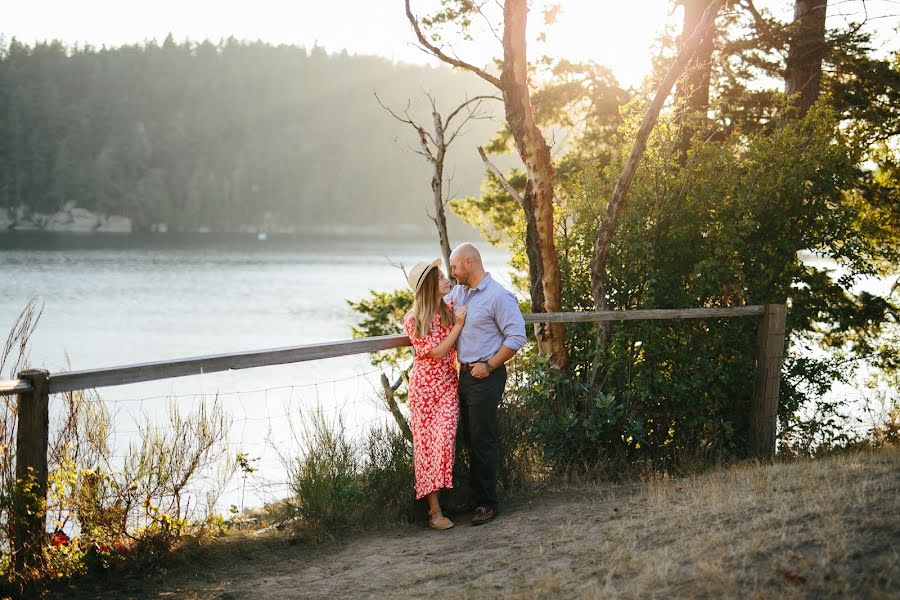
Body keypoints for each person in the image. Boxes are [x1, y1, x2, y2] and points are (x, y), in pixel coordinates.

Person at [445, 243, 526, 526]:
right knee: (468, 437)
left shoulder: (499, 297)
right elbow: (434, 309)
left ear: (469, 263)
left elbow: (516, 338)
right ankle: (475, 495)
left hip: (487, 375)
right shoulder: (459, 293)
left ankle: (488, 503)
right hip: (464, 376)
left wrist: (490, 365)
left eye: (455, 267)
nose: (452, 272)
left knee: (483, 439)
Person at [403, 258, 467, 530]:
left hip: (447, 386)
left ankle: (449, 499)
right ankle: (435, 512)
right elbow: (437, 352)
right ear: (429, 286)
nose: (445, 280)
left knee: (445, 438)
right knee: (427, 448)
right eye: (440, 277)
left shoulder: (449, 308)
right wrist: (457, 327)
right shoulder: (413, 319)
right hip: (424, 391)